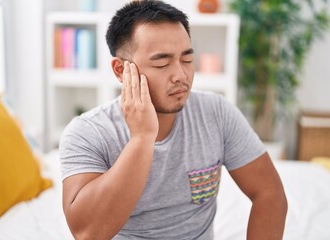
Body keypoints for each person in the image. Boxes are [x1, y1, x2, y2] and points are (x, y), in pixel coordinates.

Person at [59, 1, 288, 239]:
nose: (180, 75)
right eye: (162, 62)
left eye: (187, 59)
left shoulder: (217, 113)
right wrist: (142, 138)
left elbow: (269, 193)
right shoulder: (88, 132)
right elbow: (87, 233)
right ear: (120, 70)